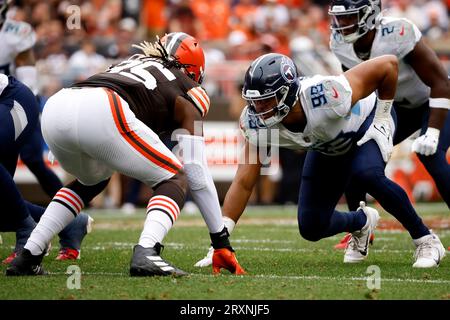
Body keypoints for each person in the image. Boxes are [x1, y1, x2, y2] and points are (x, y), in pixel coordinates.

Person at [7, 32, 245, 276]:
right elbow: (196, 172)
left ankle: (29, 254)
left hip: (58, 107)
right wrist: (220, 241)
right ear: (193, 70)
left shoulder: (129, 62)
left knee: (92, 180)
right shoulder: (189, 88)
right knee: (175, 177)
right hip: (102, 107)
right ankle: (147, 251)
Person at [195, 52, 446, 269]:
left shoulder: (325, 95)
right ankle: (362, 222)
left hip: (365, 123)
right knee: (311, 225)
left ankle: (426, 240)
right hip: (327, 143)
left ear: (288, 92)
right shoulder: (256, 122)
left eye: (266, 100)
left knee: (367, 173)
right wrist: (220, 240)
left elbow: (388, 65)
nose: (259, 109)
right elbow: (244, 181)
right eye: (255, 102)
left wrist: (381, 120)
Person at [328, 0, 449, 248]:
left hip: (434, 100)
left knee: (431, 154)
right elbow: (358, 86)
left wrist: (433, 131)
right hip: (396, 106)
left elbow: (440, 82)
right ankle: (359, 227)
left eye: (350, 17)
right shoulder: (339, 43)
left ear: (370, 15)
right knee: (354, 148)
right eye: (340, 18)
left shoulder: (397, 33)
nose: (342, 25)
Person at [0, 0, 91, 261]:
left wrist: (34, 112)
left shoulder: (16, 34)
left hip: (13, 100)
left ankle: (28, 230)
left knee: (33, 159)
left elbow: (28, 77)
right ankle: (69, 222)